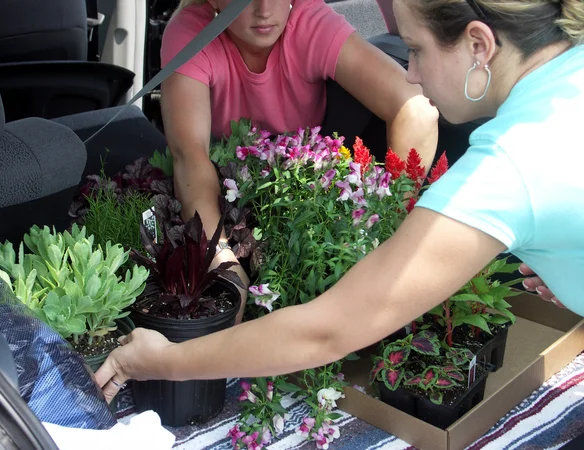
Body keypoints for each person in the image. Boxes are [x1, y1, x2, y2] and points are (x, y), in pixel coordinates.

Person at [96, 0, 584, 402]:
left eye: (414, 49)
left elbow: (326, 332)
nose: (409, 74)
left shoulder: (509, 164)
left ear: (479, 44)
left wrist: (165, 361)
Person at [160, 0, 440, 323]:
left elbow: (416, 111)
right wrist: (224, 266)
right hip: (225, 209)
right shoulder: (192, 32)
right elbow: (189, 156)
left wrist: (385, 238)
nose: (264, 9)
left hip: (307, 209)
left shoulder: (308, 22)